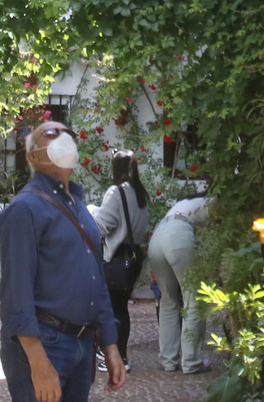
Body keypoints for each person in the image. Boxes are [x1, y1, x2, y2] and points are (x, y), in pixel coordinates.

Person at [0, 120, 127, 402]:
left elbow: (97, 278)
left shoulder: (79, 208)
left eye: (67, 133)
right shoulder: (24, 209)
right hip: (45, 343)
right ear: (32, 156)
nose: (63, 138)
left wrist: (111, 344)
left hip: (81, 343)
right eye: (51, 134)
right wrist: (38, 363)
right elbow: (16, 295)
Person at [91, 150, 148, 371]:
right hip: (133, 256)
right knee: (121, 308)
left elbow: (102, 225)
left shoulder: (117, 192)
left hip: (117, 256)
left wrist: (92, 213)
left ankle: (113, 357)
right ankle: (120, 356)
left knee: (111, 309)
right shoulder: (140, 193)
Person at [148, 195, 212, 374]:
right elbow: (215, 238)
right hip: (178, 234)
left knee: (168, 300)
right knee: (193, 298)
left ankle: (168, 360)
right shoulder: (213, 203)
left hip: (158, 235)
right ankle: (192, 361)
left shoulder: (184, 204)